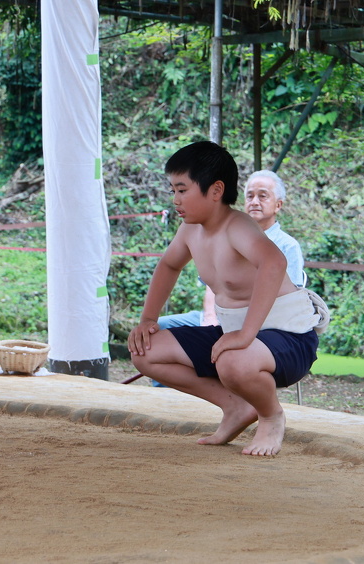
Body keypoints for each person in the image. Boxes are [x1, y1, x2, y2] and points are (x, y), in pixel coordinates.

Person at [128, 141, 327, 456]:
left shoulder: (238, 226)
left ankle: (271, 415)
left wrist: (246, 334)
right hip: (236, 334)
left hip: (290, 336)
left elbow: (274, 263)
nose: (176, 199)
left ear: (216, 190)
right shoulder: (189, 231)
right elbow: (168, 265)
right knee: (145, 350)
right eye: (173, 191)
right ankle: (236, 407)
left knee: (233, 360)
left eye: (183, 190)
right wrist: (147, 320)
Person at [157, 169, 306, 330]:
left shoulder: (287, 246)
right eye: (250, 196)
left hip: (260, 324)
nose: (255, 202)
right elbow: (213, 285)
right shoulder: (225, 234)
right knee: (158, 327)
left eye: (262, 196)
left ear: (278, 205)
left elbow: (290, 300)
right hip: (218, 316)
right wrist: (210, 317)